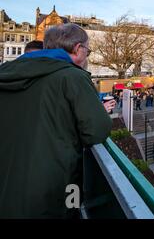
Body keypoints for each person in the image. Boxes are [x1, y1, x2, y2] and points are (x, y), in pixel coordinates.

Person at [0, 23, 112, 218]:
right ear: (78, 49)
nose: (87, 56)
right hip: (51, 192)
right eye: (88, 51)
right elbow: (97, 131)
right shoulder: (73, 76)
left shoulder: (7, 72)